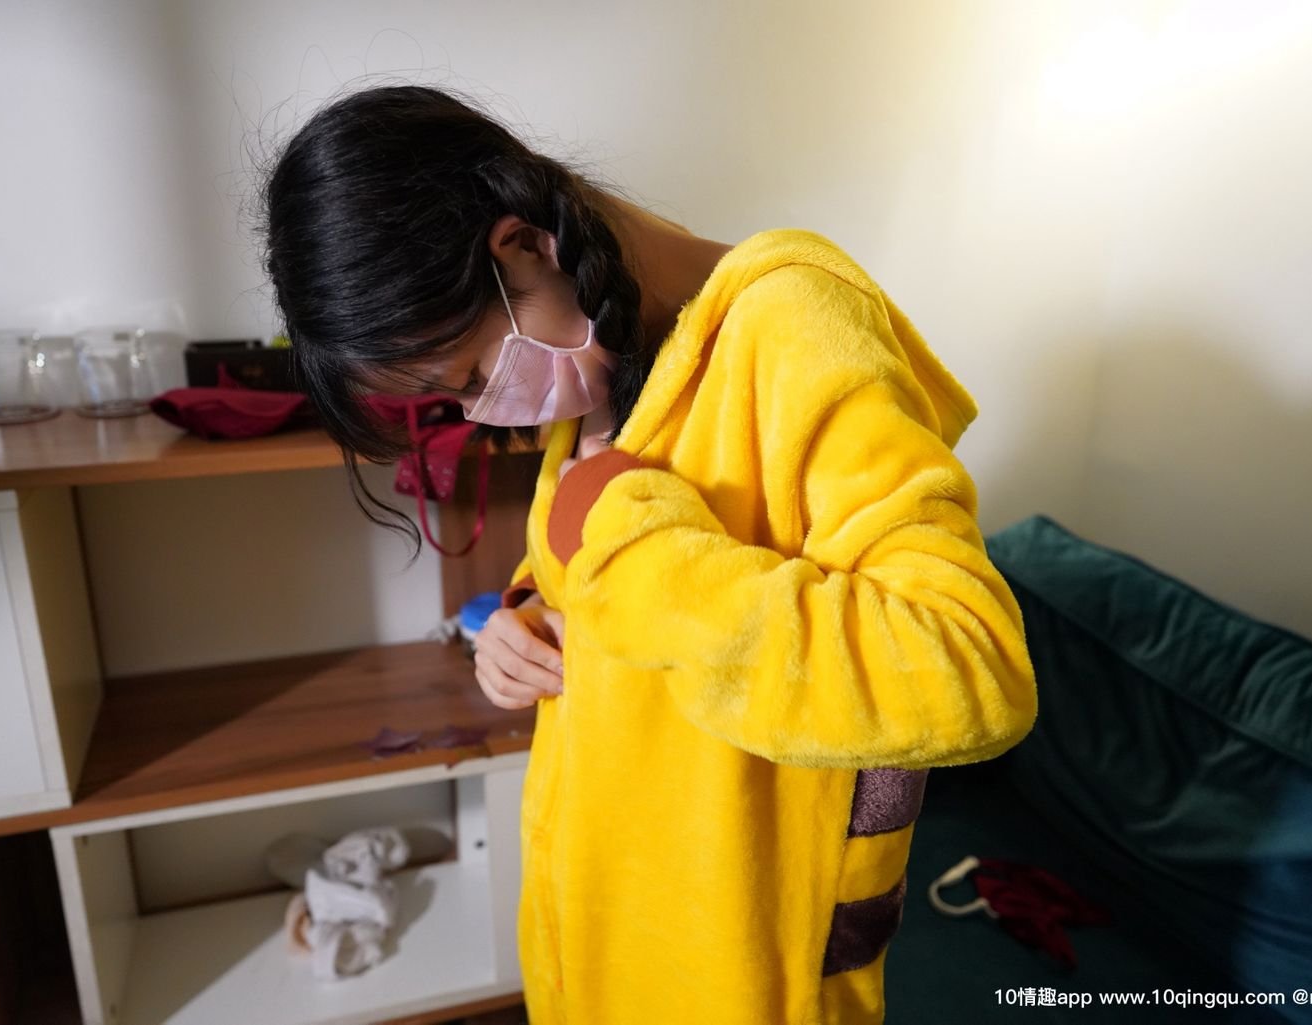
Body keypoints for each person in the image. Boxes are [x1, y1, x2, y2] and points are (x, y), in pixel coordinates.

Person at [260, 83, 1038, 1025]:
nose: (475, 410)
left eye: (468, 375)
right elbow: (608, 570)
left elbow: (966, 663)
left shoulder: (794, 326)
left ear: (524, 245)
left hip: (741, 968)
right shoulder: (607, 362)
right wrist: (522, 618)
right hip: (607, 931)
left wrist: (632, 544)